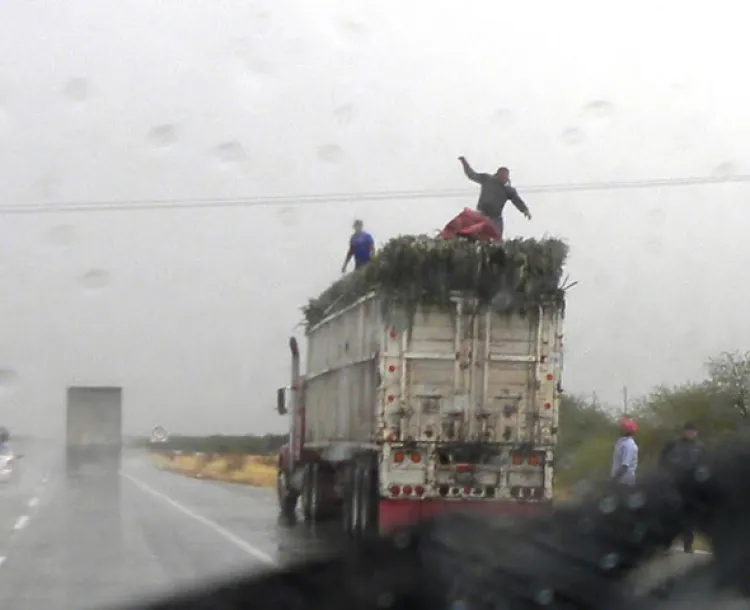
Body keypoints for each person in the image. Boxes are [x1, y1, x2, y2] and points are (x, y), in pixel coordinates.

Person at [660, 421, 706, 553]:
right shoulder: (674, 445)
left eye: (693, 431)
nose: (691, 433)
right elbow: (663, 461)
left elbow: (705, 465)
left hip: (691, 487)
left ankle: (688, 545)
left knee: (690, 518)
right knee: (672, 515)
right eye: (688, 430)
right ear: (684, 431)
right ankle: (666, 543)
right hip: (675, 485)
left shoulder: (700, 448)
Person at [457, 156, 532, 238]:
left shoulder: (508, 190)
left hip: (496, 218)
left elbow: (517, 201)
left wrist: (525, 210)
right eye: (503, 177)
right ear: (498, 175)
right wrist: (464, 162)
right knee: (475, 234)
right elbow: (471, 174)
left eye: (506, 178)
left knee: (496, 238)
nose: (505, 179)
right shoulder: (487, 179)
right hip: (481, 214)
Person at [610, 417, 638, 485]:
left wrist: (614, 480)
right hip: (620, 480)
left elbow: (625, 466)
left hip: (624, 482)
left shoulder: (629, 445)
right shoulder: (622, 442)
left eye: (622, 427)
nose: (620, 429)